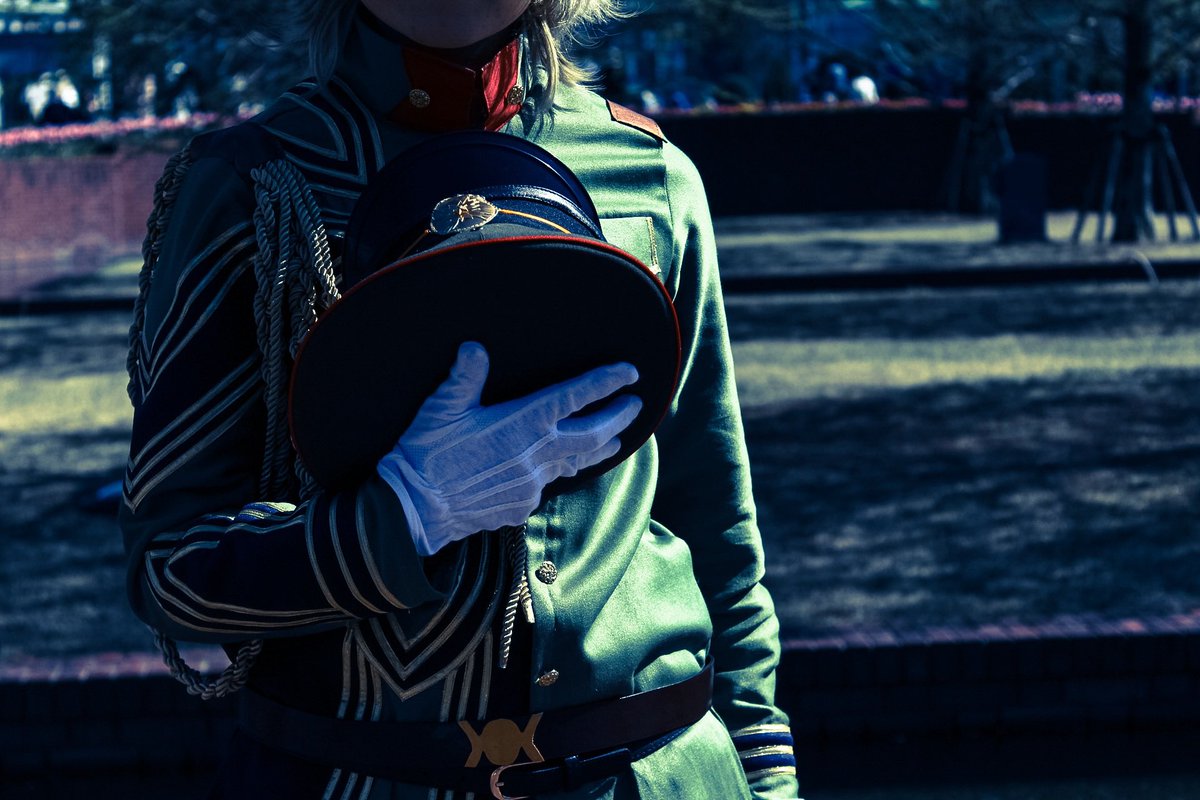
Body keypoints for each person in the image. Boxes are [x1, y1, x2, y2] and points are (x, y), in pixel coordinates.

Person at [120, 1, 799, 798]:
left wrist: (766, 777)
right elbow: (171, 569)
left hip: (664, 774)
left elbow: (717, 529)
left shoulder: (651, 172)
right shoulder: (250, 183)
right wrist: (406, 514)